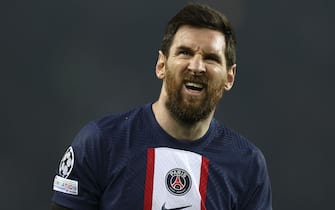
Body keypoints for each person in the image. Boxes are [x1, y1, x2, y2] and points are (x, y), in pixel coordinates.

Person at [51, 3, 272, 210]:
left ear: (229, 77)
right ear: (161, 65)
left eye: (211, 58)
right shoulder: (101, 142)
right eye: (185, 52)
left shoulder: (247, 164)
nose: (196, 66)